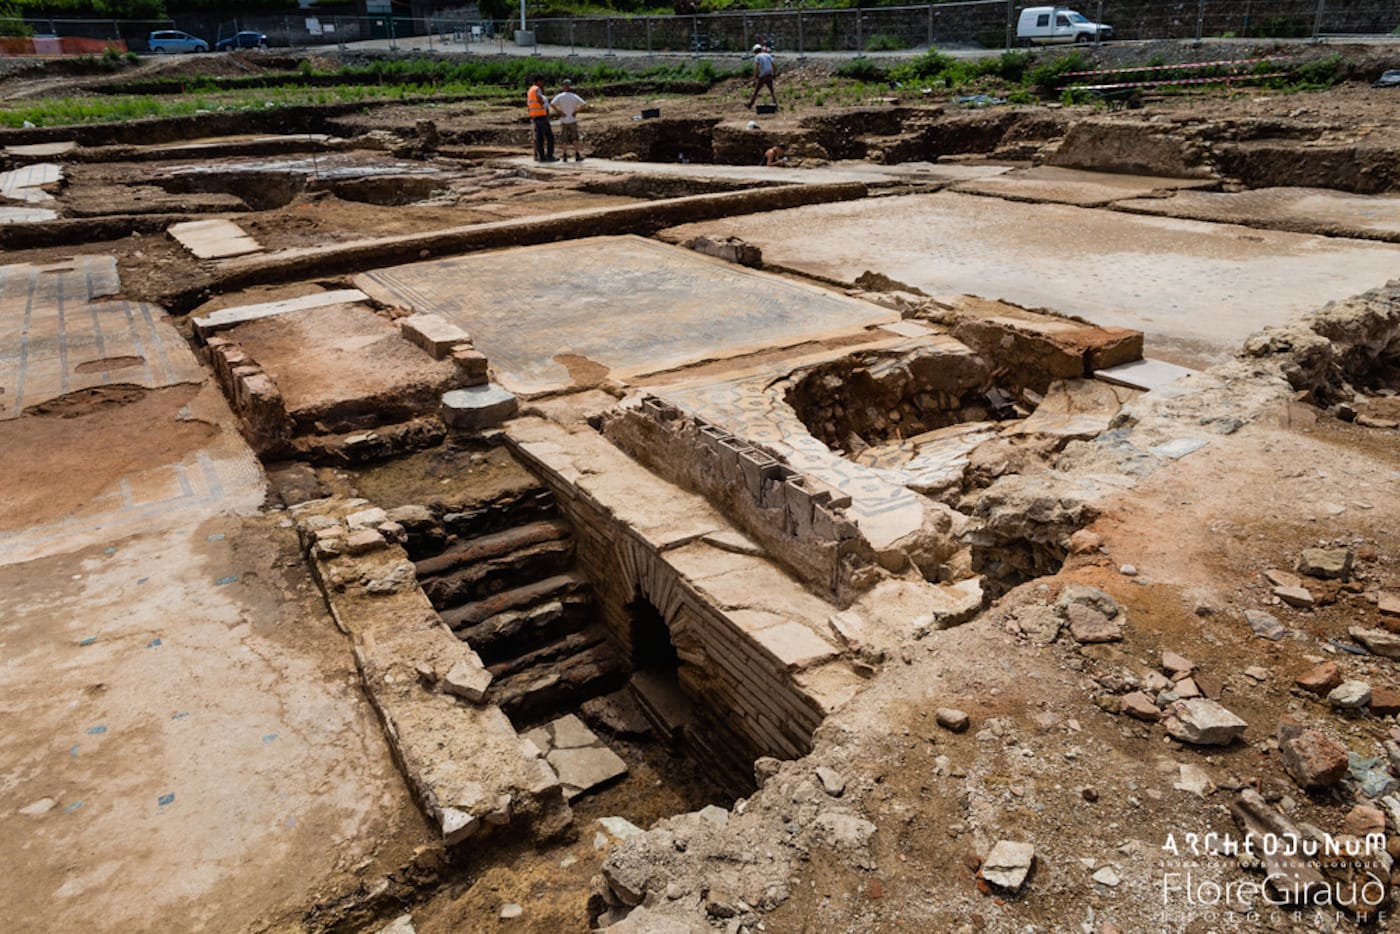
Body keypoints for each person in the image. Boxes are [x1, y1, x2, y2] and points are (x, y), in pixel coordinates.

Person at [549, 78, 588, 163]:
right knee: (575, 138)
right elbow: (584, 104)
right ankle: (577, 154)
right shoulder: (574, 96)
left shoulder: (560, 96)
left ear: (563, 86)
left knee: (564, 139)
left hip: (564, 120)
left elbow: (552, 104)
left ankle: (565, 155)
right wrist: (576, 111)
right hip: (572, 120)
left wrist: (560, 112)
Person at [527, 75, 555, 163]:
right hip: (541, 115)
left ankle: (541, 156)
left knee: (539, 137)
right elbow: (539, 98)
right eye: (542, 81)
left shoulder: (530, 90)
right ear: (538, 81)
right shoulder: (537, 89)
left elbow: (529, 104)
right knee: (549, 136)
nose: (543, 83)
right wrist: (543, 104)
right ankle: (549, 155)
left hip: (535, 116)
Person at [747, 44, 777, 109]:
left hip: (762, 76)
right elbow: (774, 65)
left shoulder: (757, 57)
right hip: (769, 74)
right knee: (772, 91)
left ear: (755, 51)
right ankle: (775, 104)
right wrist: (774, 74)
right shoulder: (768, 55)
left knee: (756, 91)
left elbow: (756, 67)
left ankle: (750, 104)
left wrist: (755, 77)